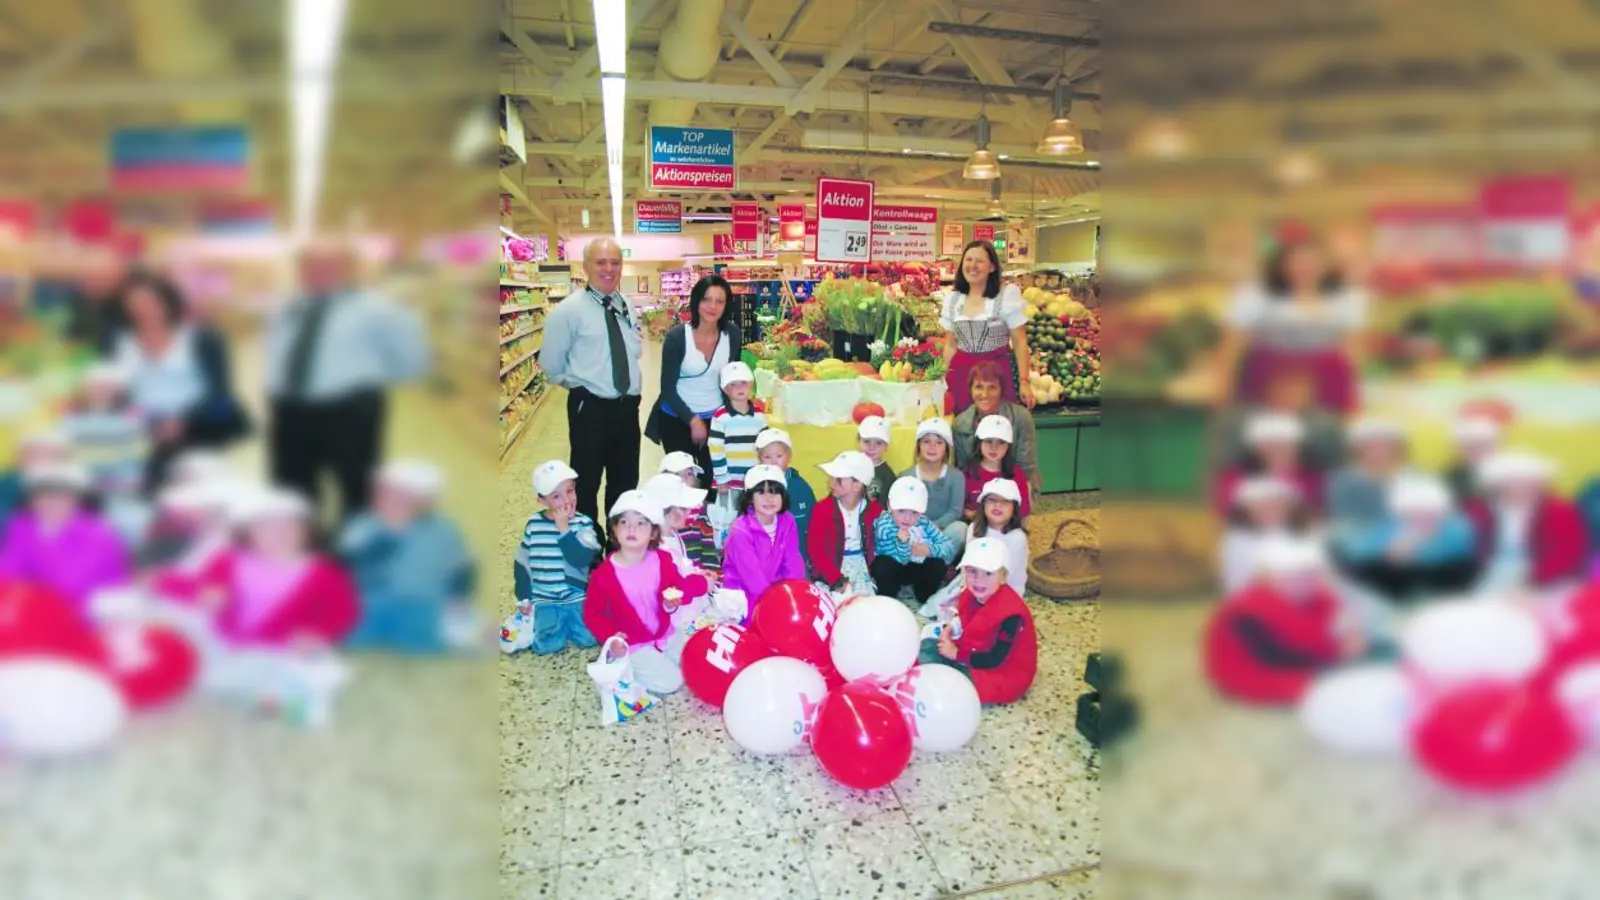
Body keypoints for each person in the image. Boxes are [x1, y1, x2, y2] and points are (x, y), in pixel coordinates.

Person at [266, 241, 426, 522]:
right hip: (290, 410)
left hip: (348, 411)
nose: (317, 272)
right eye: (309, 266)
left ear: (351, 269)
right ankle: (302, 543)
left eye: (329, 266)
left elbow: (411, 361)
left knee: (356, 486)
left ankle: (356, 542)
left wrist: (365, 377)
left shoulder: (378, 309)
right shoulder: (289, 308)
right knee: (290, 488)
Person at [110, 272, 251, 491]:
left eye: (149, 302)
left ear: (167, 302)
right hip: (142, 436)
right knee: (147, 492)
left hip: (197, 431)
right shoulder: (121, 343)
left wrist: (182, 421)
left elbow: (221, 392)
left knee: (195, 493)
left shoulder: (203, 339)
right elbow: (117, 393)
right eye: (134, 304)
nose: (142, 310)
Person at [540, 238, 644, 531]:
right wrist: (582, 387)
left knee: (625, 481)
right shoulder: (568, 311)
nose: (609, 269)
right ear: (585, 266)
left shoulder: (626, 305)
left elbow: (634, 350)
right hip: (591, 409)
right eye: (601, 262)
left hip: (628, 408)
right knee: (586, 482)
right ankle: (587, 546)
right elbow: (551, 365)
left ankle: (619, 543)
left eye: (615, 262)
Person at [185, 487, 361, 650]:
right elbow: (194, 584)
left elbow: (343, 612)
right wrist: (207, 592)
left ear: (307, 531)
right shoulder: (228, 560)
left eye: (290, 525)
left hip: (286, 650)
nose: (279, 532)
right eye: (267, 525)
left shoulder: (326, 573)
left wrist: (319, 633)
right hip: (221, 643)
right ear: (248, 531)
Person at [1216, 233, 1367, 417]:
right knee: (1267, 426)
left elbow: (1353, 348)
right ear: (1281, 265)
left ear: (1327, 265)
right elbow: (1232, 345)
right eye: (1297, 262)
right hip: (1268, 373)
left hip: (1327, 376)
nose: (1306, 268)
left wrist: (1354, 388)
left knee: (1324, 425)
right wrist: (1223, 387)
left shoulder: (1345, 297)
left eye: (1313, 262)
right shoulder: (1255, 295)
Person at [339, 459, 479, 654]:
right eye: (385, 494)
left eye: (402, 497)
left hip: (422, 602)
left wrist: (456, 600)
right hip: (372, 601)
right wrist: (387, 535)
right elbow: (347, 565)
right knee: (353, 634)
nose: (391, 502)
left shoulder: (443, 531)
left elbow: (462, 570)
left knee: (422, 640)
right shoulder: (364, 526)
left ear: (424, 502)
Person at [1205, 536, 1361, 706]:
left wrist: (1350, 634)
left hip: (1302, 661)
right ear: (1267, 579)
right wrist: (1336, 652)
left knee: (1362, 666)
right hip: (1254, 673)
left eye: (1311, 575)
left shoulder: (1317, 595)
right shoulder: (1252, 609)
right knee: (1334, 690)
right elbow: (1288, 651)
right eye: (1292, 576)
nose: (1304, 582)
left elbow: (1339, 617)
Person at [581, 491, 708, 695]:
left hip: (665, 632)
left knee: (692, 663)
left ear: (653, 532)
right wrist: (611, 638)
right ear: (614, 528)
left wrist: (694, 587)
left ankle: (656, 658)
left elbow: (677, 587)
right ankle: (625, 664)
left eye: (641, 523)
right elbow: (592, 614)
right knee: (672, 683)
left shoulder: (662, 560)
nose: (632, 529)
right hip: (633, 642)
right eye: (624, 522)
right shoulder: (603, 575)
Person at [918, 537, 1037, 705]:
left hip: (1001, 672)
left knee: (960, 685)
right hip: (974, 650)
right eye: (972, 571)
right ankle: (937, 680)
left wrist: (956, 654)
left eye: (988, 573)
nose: (978, 579)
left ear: (1003, 577)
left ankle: (939, 686)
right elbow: (965, 616)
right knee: (928, 645)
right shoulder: (971, 593)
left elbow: (996, 659)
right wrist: (951, 627)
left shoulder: (1011, 615)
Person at [0, 461, 128, 617]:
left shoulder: (98, 534)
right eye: (44, 495)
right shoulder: (22, 526)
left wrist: (22, 593)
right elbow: (8, 570)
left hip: (89, 612)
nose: (52, 502)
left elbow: (67, 585)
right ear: (32, 499)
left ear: (77, 500)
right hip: (37, 605)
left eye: (61, 496)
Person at [648, 275, 740, 486]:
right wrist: (693, 420)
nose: (712, 306)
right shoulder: (677, 337)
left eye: (719, 301)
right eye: (706, 299)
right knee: (682, 484)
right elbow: (667, 389)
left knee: (714, 481)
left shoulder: (732, 335)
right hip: (677, 419)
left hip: (716, 420)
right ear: (696, 301)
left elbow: (732, 377)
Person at [504, 460, 601, 656]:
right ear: (542, 500)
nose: (567, 500)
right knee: (546, 645)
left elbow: (581, 560)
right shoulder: (533, 525)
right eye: (556, 496)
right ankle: (544, 623)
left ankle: (568, 621)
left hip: (577, 597)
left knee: (590, 638)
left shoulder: (583, 523)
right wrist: (524, 598)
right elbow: (522, 563)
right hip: (545, 599)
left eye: (570, 491)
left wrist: (564, 529)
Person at [1334, 474, 1479, 602]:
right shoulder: (1391, 527)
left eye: (1429, 510)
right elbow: (1359, 552)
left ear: (1441, 509)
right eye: (1414, 511)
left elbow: (1463, 557)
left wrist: (1418, 550)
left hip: (1445, 587)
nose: (1422, 515)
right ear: (1402, 511)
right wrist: (1387, 553)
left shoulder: (1455, 527)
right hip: (1394, 589)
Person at [1465, 451, 1589, 594]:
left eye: (1529, 482)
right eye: (1512, 482)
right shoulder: (1482, 510)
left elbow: (1566, 555)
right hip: (1496, 570)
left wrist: (1530, 583)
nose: (1521, 487)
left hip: (1548, 577)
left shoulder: (1560, 511)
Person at [62, 363, 151, 548]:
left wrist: (107, 484)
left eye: (106, 387)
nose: (99, 391)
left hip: (117, 490)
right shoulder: (71, 417)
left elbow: (135, 463)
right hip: (76, 488)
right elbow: (64, 456)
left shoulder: (132, 418)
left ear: (118, 390)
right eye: (94, 386)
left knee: (130, 522)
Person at [940, 241, 1034, 412]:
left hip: (995, 376)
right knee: (963, 423)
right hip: (961, 375)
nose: (972, 266)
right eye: (968, 260)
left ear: (992, 267)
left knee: (996, 424)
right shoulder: (953, 300)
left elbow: (1020, 341)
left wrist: (1024, 381)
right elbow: (950, 345)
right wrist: (941, 380)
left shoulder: (1005, 296)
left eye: (979, 261)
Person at [718, 465, 806, 621]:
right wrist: (773, 603)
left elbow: (792, 561)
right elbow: (751, 575)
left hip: (775, 591)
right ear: (750, 497)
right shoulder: (741, 529)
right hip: (743, 595)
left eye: (774, 492)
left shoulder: (788, 521)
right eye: (761, 492)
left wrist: (795, 594)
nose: (769, 498)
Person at [1212, 413, 1324, 519]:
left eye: (1285, 445)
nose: (1278, 451)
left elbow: (1317, 515)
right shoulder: (1234, 477)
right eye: (1271, 446)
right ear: (1256, 449)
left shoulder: (1312, 478)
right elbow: (1225, 512)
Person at [1327, 418, 1412, 557]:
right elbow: (1345, 522)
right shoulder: (1344, 481)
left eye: (1385, 445)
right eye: (1371, 446)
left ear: (1398, 448)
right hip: (1360, 549)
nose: (1379, 451)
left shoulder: (1414, 479)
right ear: (1358, 449)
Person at [953, 361, 1041, 493]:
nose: (985, 394)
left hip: (1015, 487)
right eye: (979, 387)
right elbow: (962, 470)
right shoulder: (960, 423)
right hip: (976, 488)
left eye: (992, 387)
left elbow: (1026, 469)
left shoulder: (1021, 417)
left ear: (1001, 390)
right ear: (970, 389)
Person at [806, 451, 884, 595]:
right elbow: (815, 549)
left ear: (857, 485)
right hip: (830, 571)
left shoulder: (876, 511)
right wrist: (835, 579)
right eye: (831, 477)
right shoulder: (822, 509)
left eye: (838, 479)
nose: (830, 482)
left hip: (862, 570)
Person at [871, 477, 955, 608]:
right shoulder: (884, 525)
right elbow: (902, 558)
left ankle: (922, 594)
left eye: (914, 512)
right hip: (893, 567)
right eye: (901, 511)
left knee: (938, 564)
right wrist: (903, 542)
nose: (907, 518)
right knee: (881, 565)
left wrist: (928, 550)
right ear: (889, 506)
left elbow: (948, 546)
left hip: (915, 566)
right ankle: (888, 596)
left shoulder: (923, 522)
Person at [1218, 476, 1307, 596]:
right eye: (1263, 506)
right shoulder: (1237, 542)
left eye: (1277, 505)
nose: (1270, 510)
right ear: (1249, 511)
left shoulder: (1302, 538)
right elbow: (1237, 587)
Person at [905, 417, 970, 555]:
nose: (932, 447)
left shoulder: (956, 476)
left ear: (947, 448)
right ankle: (920, 557)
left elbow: (954, 511)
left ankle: (934, 559)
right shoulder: (906, 476)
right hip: (914, 530)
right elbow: (903, 510)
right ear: (918, 446)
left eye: (939, 442)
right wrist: (918, 528)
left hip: (942, 531)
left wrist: (933, 527)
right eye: (926, 441)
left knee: (960, 529)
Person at [754, 429, 816, 568]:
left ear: (789, 456)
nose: (773, 461)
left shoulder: (801, 486)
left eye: (779, 456)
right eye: (767, 457)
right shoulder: (753, 487)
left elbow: (814, 523)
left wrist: (811, 555)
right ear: (759, 458)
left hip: (797, 560)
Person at [708, 361, 767, 500]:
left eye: (743, 382)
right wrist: (722, 478)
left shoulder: (760, 416)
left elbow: (765, 446)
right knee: (729, 513)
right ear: (725, 389)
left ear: (751, 384)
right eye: (733, 384)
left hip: (754, 480)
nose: (739, 387)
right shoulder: (720, 417)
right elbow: (716, 449)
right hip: (729, 482)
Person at [962, 415, 1033, 523]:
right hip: (975, 526)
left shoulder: (1016, 473)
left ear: (1008, 446)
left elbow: (1023, 510)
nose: (994, 448)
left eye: (1001, 442)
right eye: (988, 441)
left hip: (1007, 527)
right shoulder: (967, 472)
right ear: (979, 443)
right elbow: (961, 509)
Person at [64, 245, 132, 357]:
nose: (92, 284)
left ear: (119, 277)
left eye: (100, 278)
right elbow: (73, 338)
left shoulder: (132, 306)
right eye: (89, 278)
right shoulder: (83, 303)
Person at [659, 452, 718, 572]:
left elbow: (708, 547)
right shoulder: (658, 513)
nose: (684, 479)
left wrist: (712, 573)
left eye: (689, 474)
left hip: (698, 573)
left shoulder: (700, 511)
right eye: (677, 475)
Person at [0, 428, 73, 527]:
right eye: (34, 453)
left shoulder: (71, 489)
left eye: (50, 454)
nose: (41, 459)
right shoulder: (6, 486)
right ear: (21, 457)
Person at [1444, 413, 1502, 506]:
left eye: (1481, 445)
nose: (1476, 450)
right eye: (1469, 446)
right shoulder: (1453, 474)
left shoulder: (1506, 473)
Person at [857, 415, 897, 505]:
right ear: (858, 441)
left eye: (878, 443)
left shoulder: (888, 476)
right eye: (867, 441)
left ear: (886, 446)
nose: (872, 447)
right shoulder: (850, 467)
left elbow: (887, 507)